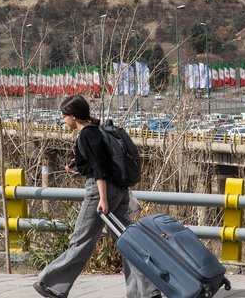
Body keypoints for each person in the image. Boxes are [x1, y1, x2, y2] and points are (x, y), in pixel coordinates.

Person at [34, 94, 160, 298]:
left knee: (81, 241)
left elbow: (99, 169)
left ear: (73, 116)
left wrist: (101, 198)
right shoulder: (96, 131)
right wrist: (77, 162)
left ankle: (51, 285)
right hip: (120, 190)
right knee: (126, 242)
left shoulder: (86, 134)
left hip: (102, 192)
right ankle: (146, 291)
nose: (63, 120)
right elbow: (100, 158)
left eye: (64, 116)